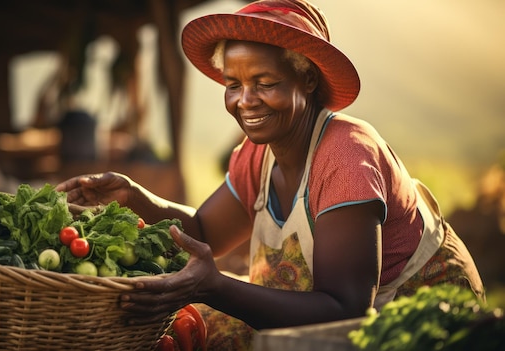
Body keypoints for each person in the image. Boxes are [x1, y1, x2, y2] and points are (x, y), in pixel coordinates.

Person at [55, 0, 484, 349]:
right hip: (315, 312)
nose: (246, 101)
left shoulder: (346, 155)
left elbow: (346, 312)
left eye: (265, 82)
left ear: (308, 80)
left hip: (410, 322)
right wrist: (133, 197)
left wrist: (215, 288)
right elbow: (205, 230)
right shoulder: (257, 156)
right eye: (234, 84)